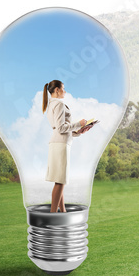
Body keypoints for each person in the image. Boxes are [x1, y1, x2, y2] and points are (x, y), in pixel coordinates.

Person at [42, 79, 87, 213]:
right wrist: (79, 123)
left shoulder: (51, 105)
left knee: (59, 179)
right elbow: (61, 128)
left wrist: (78, 132)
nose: (65, 91)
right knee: (60, 181)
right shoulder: (59, 105)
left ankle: (63, 210)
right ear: (57, 90)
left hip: (57, 142)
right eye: (63, 89)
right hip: (60, 144)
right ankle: (53, 214)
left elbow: (59, 129)